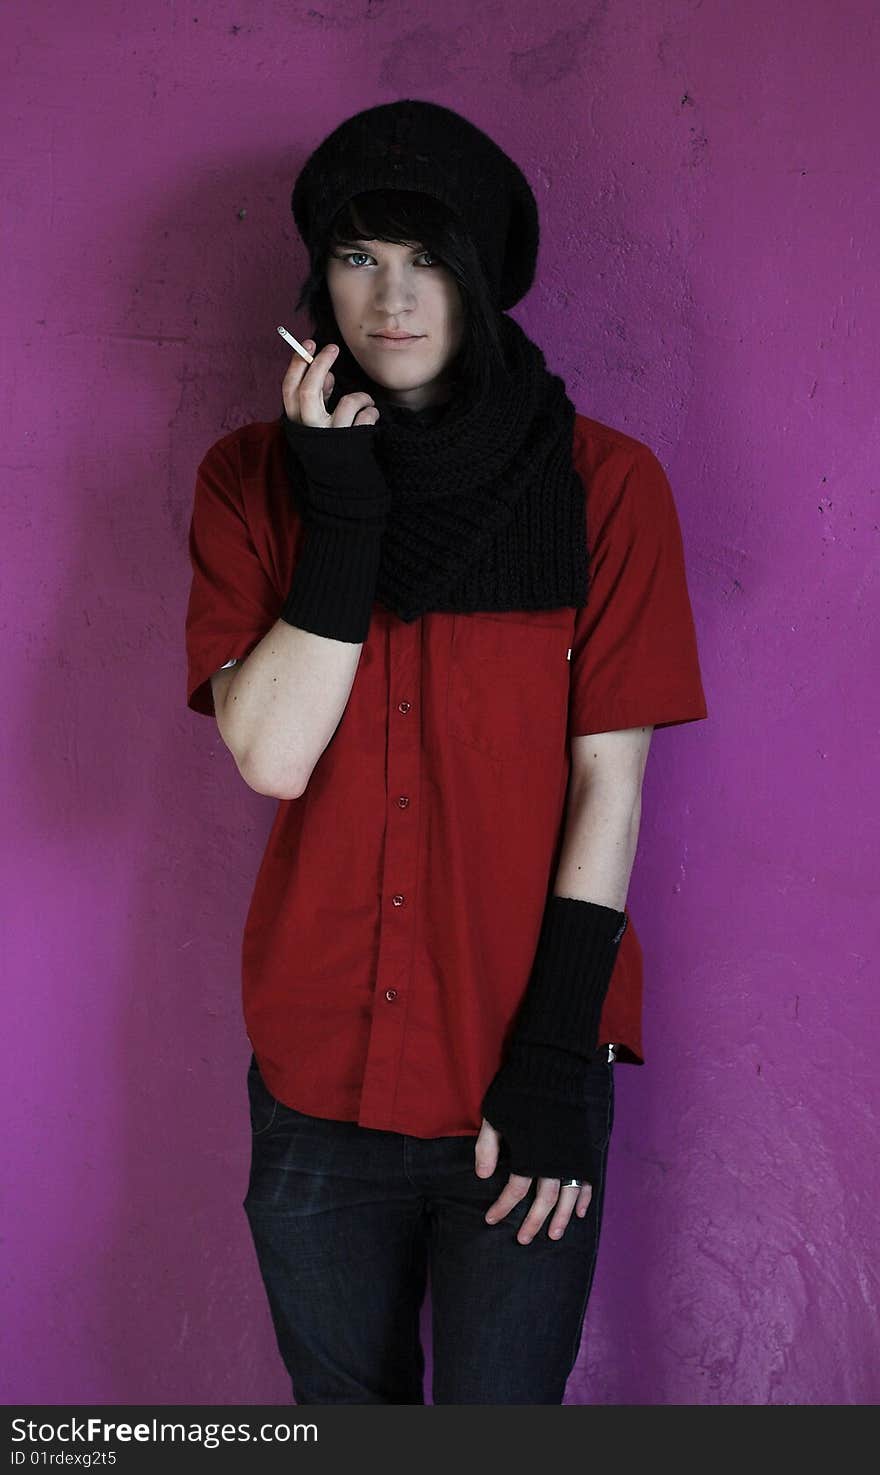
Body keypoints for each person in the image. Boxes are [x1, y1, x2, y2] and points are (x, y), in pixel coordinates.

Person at [184, 99, 708, 1405]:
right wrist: (342, 505)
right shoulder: (254, 480)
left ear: (483, 274)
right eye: (361, 257)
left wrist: (549, 1065)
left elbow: (611, 785)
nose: (394, 296)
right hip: (318, 1071)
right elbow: (272, 756)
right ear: (320, 279)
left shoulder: (607, 487)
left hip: (519, 1064)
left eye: (429, 258)